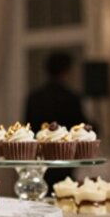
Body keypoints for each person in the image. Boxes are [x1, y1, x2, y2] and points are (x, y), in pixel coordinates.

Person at [23, 52, 89, 185]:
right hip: (65, 160)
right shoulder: (72, 98)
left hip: (39, 159)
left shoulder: (34, 97)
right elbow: (80, 130)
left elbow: (28, 130)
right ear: (67, 71)